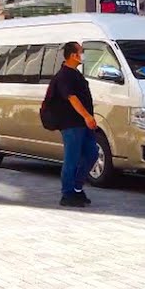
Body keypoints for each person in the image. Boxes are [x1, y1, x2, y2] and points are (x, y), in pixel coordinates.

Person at [45, 42, 99, 208]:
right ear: (73, 55)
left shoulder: (76, 74)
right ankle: (67, 194)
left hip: (83, 123)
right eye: (81, 51)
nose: (83, 55)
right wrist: (87, 116)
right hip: (71, 124)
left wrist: (88, 118)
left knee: (92, 153)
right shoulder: (64, 76)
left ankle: (77, 188)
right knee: (72, 159)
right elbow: (72, 98)